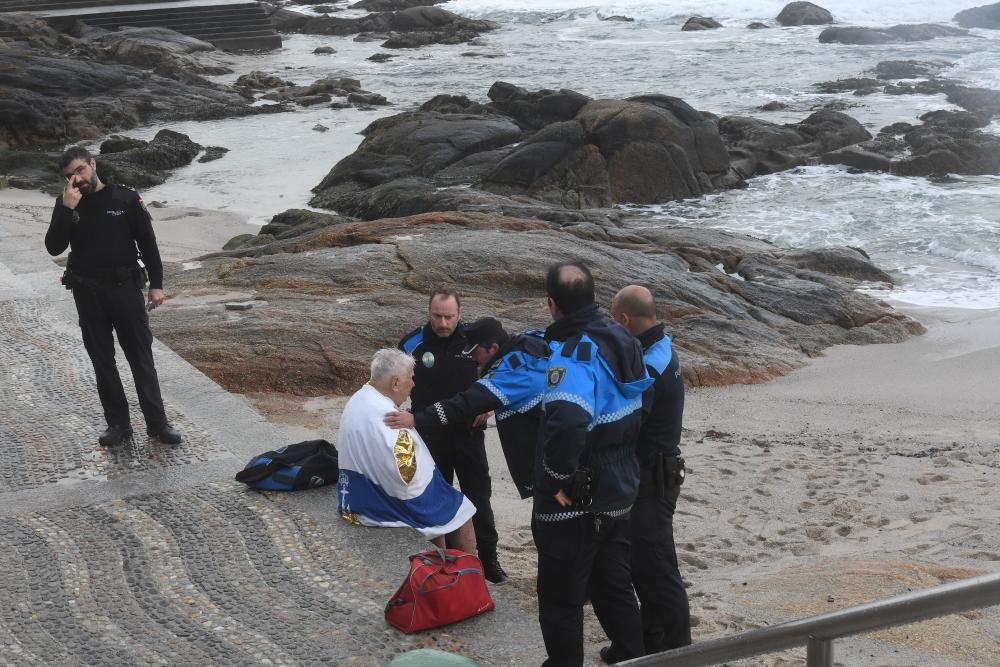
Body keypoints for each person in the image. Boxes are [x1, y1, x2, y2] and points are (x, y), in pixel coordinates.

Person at [534, 262, 652, 667]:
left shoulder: (573, 354)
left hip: (581, 493)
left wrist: (554, 479)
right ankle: (630, 655)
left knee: (561, 597)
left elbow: (568, 421)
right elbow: (643, 400)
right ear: (594, 296)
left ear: (552, 305)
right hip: (621, 482)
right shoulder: (623, 337)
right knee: (613, 581)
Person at [45, 146, 181, 447]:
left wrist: (156, 285)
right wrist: (67, 209)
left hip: (125, 290)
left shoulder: (126, 198)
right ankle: (118, 425)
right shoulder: (66, 203)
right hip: (87, 293)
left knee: (141, 358)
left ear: (93, 164)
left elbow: (148, 244)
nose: (76, 179)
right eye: (70, 176)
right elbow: (54, 247)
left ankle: (157, 425)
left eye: (80, 170)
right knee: (102, 361)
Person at [399, 290, 506, 583]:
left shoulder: (474, 342)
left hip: (468, 436)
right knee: (434, 499)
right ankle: (438, 560)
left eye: (449, 316)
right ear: (428, 312)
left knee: (479, 500)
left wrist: (489, 405)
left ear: (460, 314)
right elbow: (396, 382)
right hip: (429, 437)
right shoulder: (412, 344)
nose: (443, 323)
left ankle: (489, 560)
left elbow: (500, 373)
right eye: (437, 316)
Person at [385, 317, 551, 500]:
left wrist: (417, 419)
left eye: (475, 351)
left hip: (554, 456)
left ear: (493, 348)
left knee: (549, 519)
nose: (471, 358)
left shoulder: (510, 375)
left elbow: (464, 404)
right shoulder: (531, 342)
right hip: (567, 445)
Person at [610, 285, 691, 656]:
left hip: (652, 479)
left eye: (615, 322)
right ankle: (651, 640)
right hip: (658, 472)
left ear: (626, 320)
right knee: (646, 567)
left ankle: (682, 651)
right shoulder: (661, 347)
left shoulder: (650, 364)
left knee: (657, 570)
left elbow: (629, 423)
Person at [337, 349, 477, 553]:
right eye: (410, 378)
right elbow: (407, 475)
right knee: (461, 507)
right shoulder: (390, 417)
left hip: (354, 495)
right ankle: (467, 571)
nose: (413, 384)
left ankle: (442, 560)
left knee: (440, 499)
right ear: (395, 383)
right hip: (381, 504)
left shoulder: (359, 399)